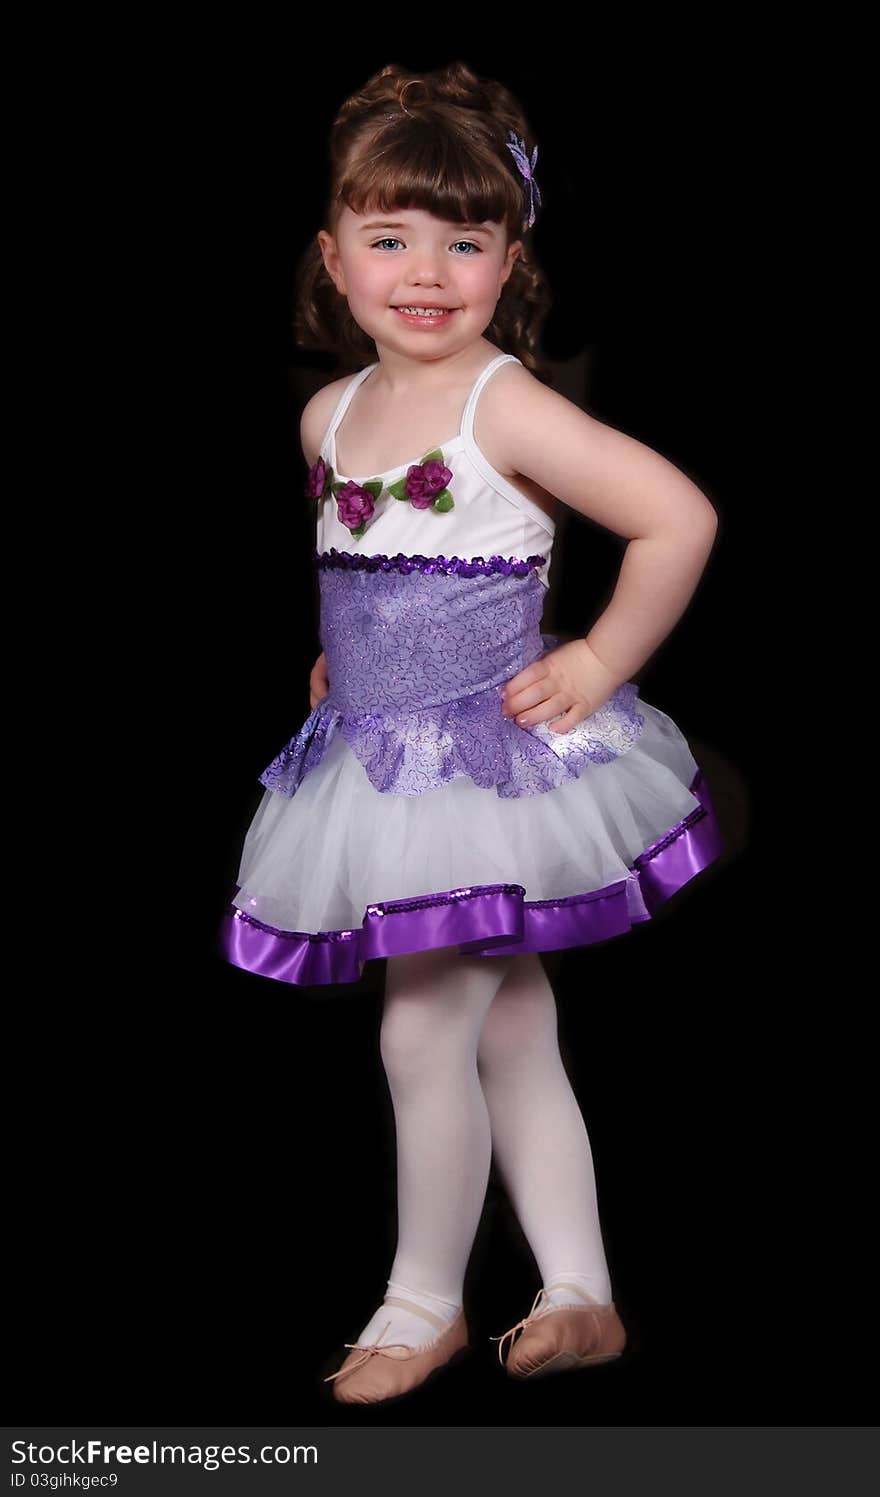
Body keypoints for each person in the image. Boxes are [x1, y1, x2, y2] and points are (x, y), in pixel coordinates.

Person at [217, 61, 723, 1405]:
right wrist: (345, 651)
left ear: (510, 257)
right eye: (390, 238)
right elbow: (379, 569)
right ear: (334, 258)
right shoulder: (327, 418)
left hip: (487, 768)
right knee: (512, 1030)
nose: (426, 269)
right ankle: (583, 1293)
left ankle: (420, 1301)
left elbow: (677, 515)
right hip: (377, 763)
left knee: (422, 1027)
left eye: (464, 239)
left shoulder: (506, 400)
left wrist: (602, 655)